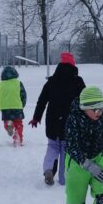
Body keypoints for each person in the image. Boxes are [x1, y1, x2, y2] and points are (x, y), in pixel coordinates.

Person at [30, 51, 86, 185]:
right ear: (73, 66)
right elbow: (85, 101)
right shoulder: (78, 82)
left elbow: (41, 101)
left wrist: (36, 118)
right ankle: (63, 178)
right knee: (66, 149)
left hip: (52, 121)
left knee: (53, 146)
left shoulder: (51, 81)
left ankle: (48, 169)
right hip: (70, 121)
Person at [0, 64, 27, 146]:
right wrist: (22, 105)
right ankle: (18, 138)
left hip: (5, 108)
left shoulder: (1, 85)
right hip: (17, 106)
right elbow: (23, 95)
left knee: (7, 120)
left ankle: (9, 124)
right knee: (18, 123)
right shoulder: (18, 83)